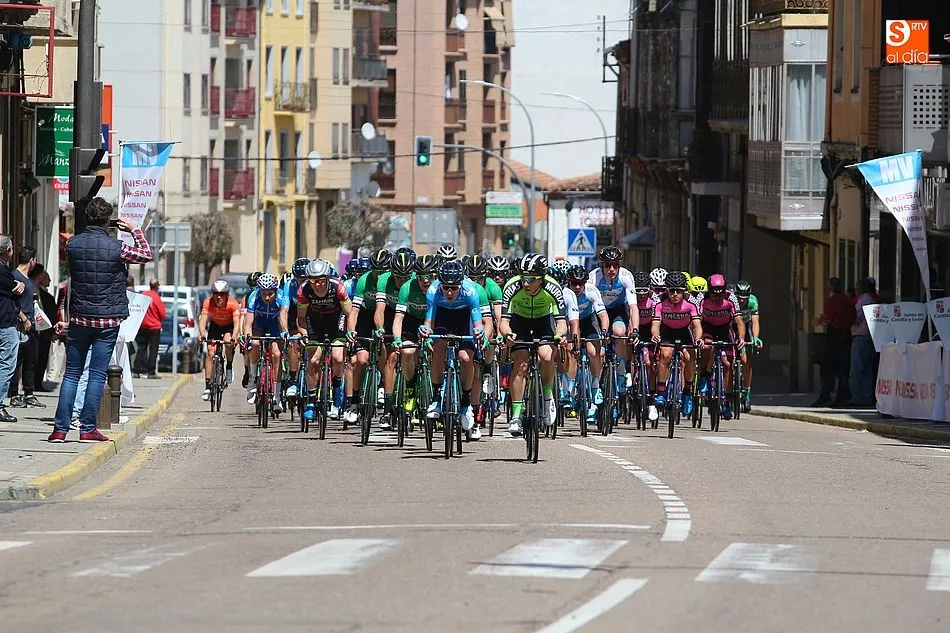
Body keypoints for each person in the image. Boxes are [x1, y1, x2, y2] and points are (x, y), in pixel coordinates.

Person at [48, 198, 153, 443]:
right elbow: (146, 254)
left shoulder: (72, 244)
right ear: (109, 220)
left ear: (87, 217)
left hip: (79, 318)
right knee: (96, 375)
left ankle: (60, 430)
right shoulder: (117, 248)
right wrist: (134, 230)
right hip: (108, 320)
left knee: (72, 374)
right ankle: (87, 429)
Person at [812, 277, 856, 407]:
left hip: (834, 336)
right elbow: (853, 317)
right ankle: (842, 396)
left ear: (830, 288)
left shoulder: (832, 301)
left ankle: (825, 395)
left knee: (826, 368)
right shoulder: (847, 301)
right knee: (843, 369)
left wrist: (819, 321)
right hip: (846, 336)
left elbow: (828, 319)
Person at [7, 247, 40, 408]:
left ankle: (29, 394)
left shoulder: (27, 279)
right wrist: (24, 319)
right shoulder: (15, 277)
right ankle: (13, 395)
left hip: (31, 324)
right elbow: (13, 303)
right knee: (17, 360)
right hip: (20, 325)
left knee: (31, 360)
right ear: (31, 260)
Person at [197, 279, 241, 400]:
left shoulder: (232, 303)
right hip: (215, 326)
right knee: (210, 352)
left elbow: (237, 323)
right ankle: (208, 386)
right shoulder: (208, 302)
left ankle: (229, 366)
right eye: (216, 294)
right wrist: (202, 334)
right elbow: (203, 319)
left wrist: (234, 337)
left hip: (228, 326)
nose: (219, 297)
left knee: (228, 342)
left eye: (222, 294)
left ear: (227, 295)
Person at [0, 235, 26, 423]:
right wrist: (20, 284)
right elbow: (17, 290)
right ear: (8, 251)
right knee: (7, 365)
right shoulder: (3, 271)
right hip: (5, 323)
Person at [849, 277, 879, 407]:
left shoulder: (863, 301)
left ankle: (857, 397)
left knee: (857, 369)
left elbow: (855, 318)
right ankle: (866, 396)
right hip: (869, 337)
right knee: (867, 369)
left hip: (861, 336)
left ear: (858, 290)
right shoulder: (871, 299)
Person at [133, 277, 166, 379]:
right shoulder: (156, 298)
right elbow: (163, 314)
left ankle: (136, 370)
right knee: (153, 350)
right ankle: (151, 372)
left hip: (143, 326)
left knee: (141, 348)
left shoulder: (143, 295)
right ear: (157, 287)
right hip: (154, 327)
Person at [30, 265, 57, 391]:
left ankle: (36, 382)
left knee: (41, 357)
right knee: (38, 357)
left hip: (44, 330)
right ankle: (34, 383)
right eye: (47, 278)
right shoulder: (37, 291)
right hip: (39, 329)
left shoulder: (45, 294)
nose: (50, 281)